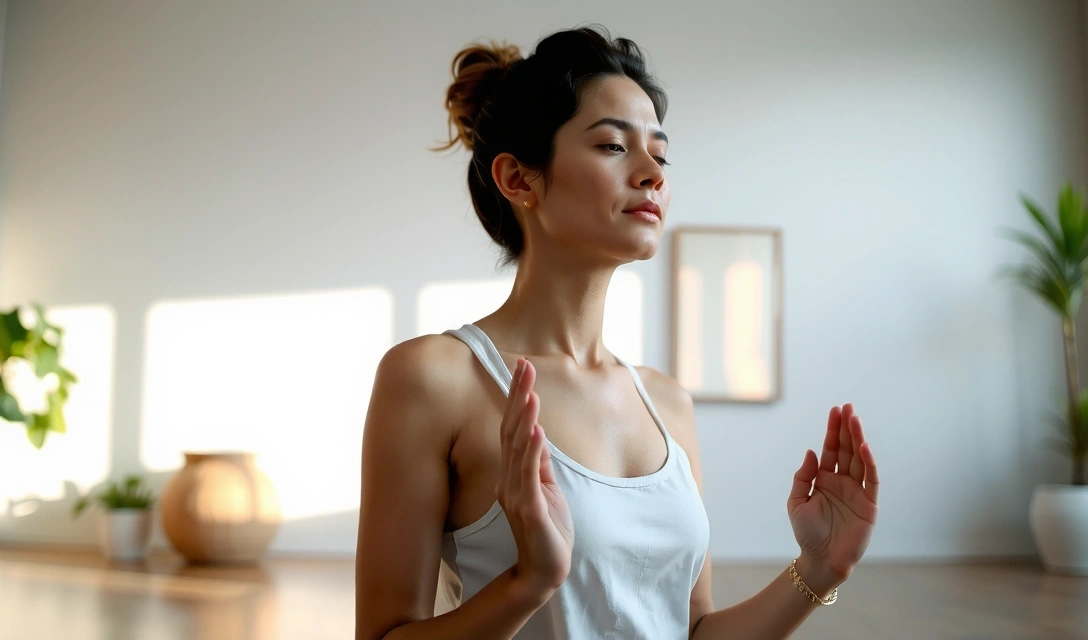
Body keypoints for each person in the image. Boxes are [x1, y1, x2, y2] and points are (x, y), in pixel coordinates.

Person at [354, 24, 879, 640]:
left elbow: (692, 629)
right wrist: (528, 583)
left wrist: (819, 569)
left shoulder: (667, 403)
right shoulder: (433, 379)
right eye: (612, 146)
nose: (652, 173)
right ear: (519, 180)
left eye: (660, 152)